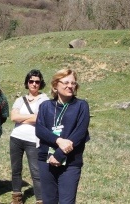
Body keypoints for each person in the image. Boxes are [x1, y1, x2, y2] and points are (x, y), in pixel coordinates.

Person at [35, 68, 90, 203]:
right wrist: (58, 140)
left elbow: (80, 133)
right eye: (66, 82)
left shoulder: (81, 106)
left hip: (70, 162)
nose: (70, 86)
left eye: (73, 83)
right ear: (55, 85)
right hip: (46, 160)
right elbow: (40, 130)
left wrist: (59, 155)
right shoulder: (45, 106)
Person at [9, 69, 48, 204]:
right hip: (16, 138)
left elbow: (42, 119)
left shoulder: (44, 99)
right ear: (27, 82)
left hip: (33, 140)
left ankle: (40, 200)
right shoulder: (20, 99)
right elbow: (13, 117)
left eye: (37, 82)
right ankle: (17, 197)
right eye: (31, 81)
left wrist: (22, 118)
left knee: (36, 172)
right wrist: (31, 118)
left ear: (40, 83)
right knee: (16, 169)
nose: (34, 84)